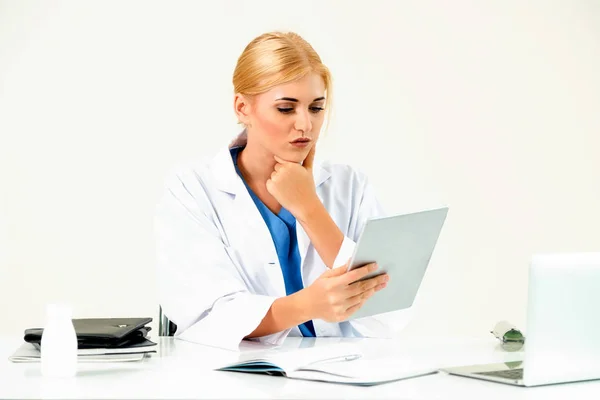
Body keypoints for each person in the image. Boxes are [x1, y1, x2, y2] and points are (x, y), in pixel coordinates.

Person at [155, 31, 394, 350]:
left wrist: (310, 209)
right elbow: (205, 317)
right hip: (239, 377)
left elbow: (388, 309)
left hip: (341, 374)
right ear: (242, 108)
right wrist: (309, 304)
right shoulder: (192, 188)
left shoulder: (350, 185)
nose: (305, 125)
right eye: (286, 108)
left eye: (316, 108)